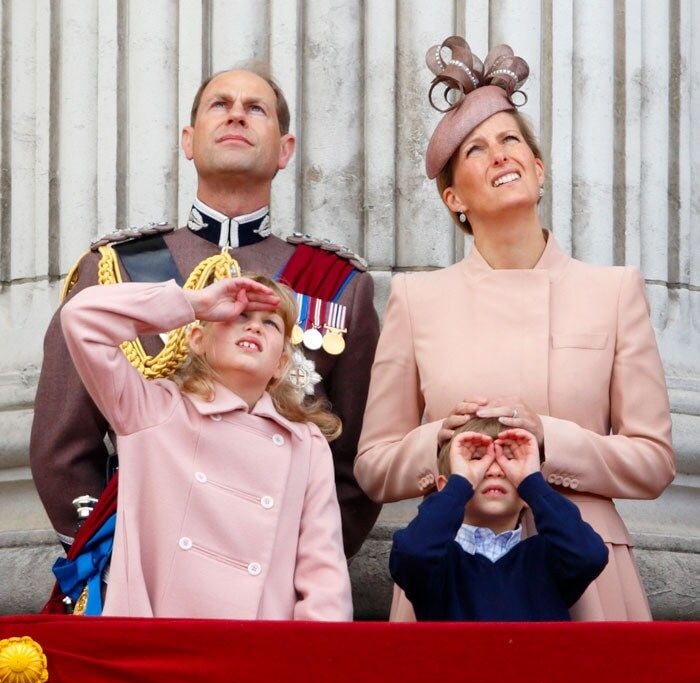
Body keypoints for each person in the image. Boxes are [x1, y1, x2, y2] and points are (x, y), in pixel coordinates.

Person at [354, 36, 675, 620]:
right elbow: (373, 467)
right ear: (454, 197)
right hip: (449, 575)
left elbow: (654, 460)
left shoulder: (614, 290)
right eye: (476, 149)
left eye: (510, 140)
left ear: (538, 166)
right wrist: (442, 443)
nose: (500, 154)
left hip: (587, 570)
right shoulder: (416, 299)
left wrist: (548, 437)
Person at [31, 65, 380, 560]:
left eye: (256, 109)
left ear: (285, 150)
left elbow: (353, 460)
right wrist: (107, 556)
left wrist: (301, 563)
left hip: (272, 571)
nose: (237, 114)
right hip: (142, 560)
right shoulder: (113, 270)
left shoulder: (340, 287)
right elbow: (61, 445)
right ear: (189, 141)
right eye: (220, 104)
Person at [54, 271, 352, 620]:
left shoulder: (305, 444)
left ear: (281, 365)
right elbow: (82, 318)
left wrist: (306, 664)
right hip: (158, 647)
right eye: (238, 316)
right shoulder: (150, 411)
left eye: (270, 323)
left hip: (258, 655)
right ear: (197, 338)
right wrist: (196, 304)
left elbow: (324, 573)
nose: (254, 327)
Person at [390, 417, 608, 621]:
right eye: (477, 459)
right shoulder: (437, 563)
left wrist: (532, 483)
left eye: (508, 461)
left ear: (526, 493)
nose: (494, 471)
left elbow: (589, 555)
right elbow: (413, 552)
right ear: (445, 488)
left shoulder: (548, 560)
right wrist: (460, 483)